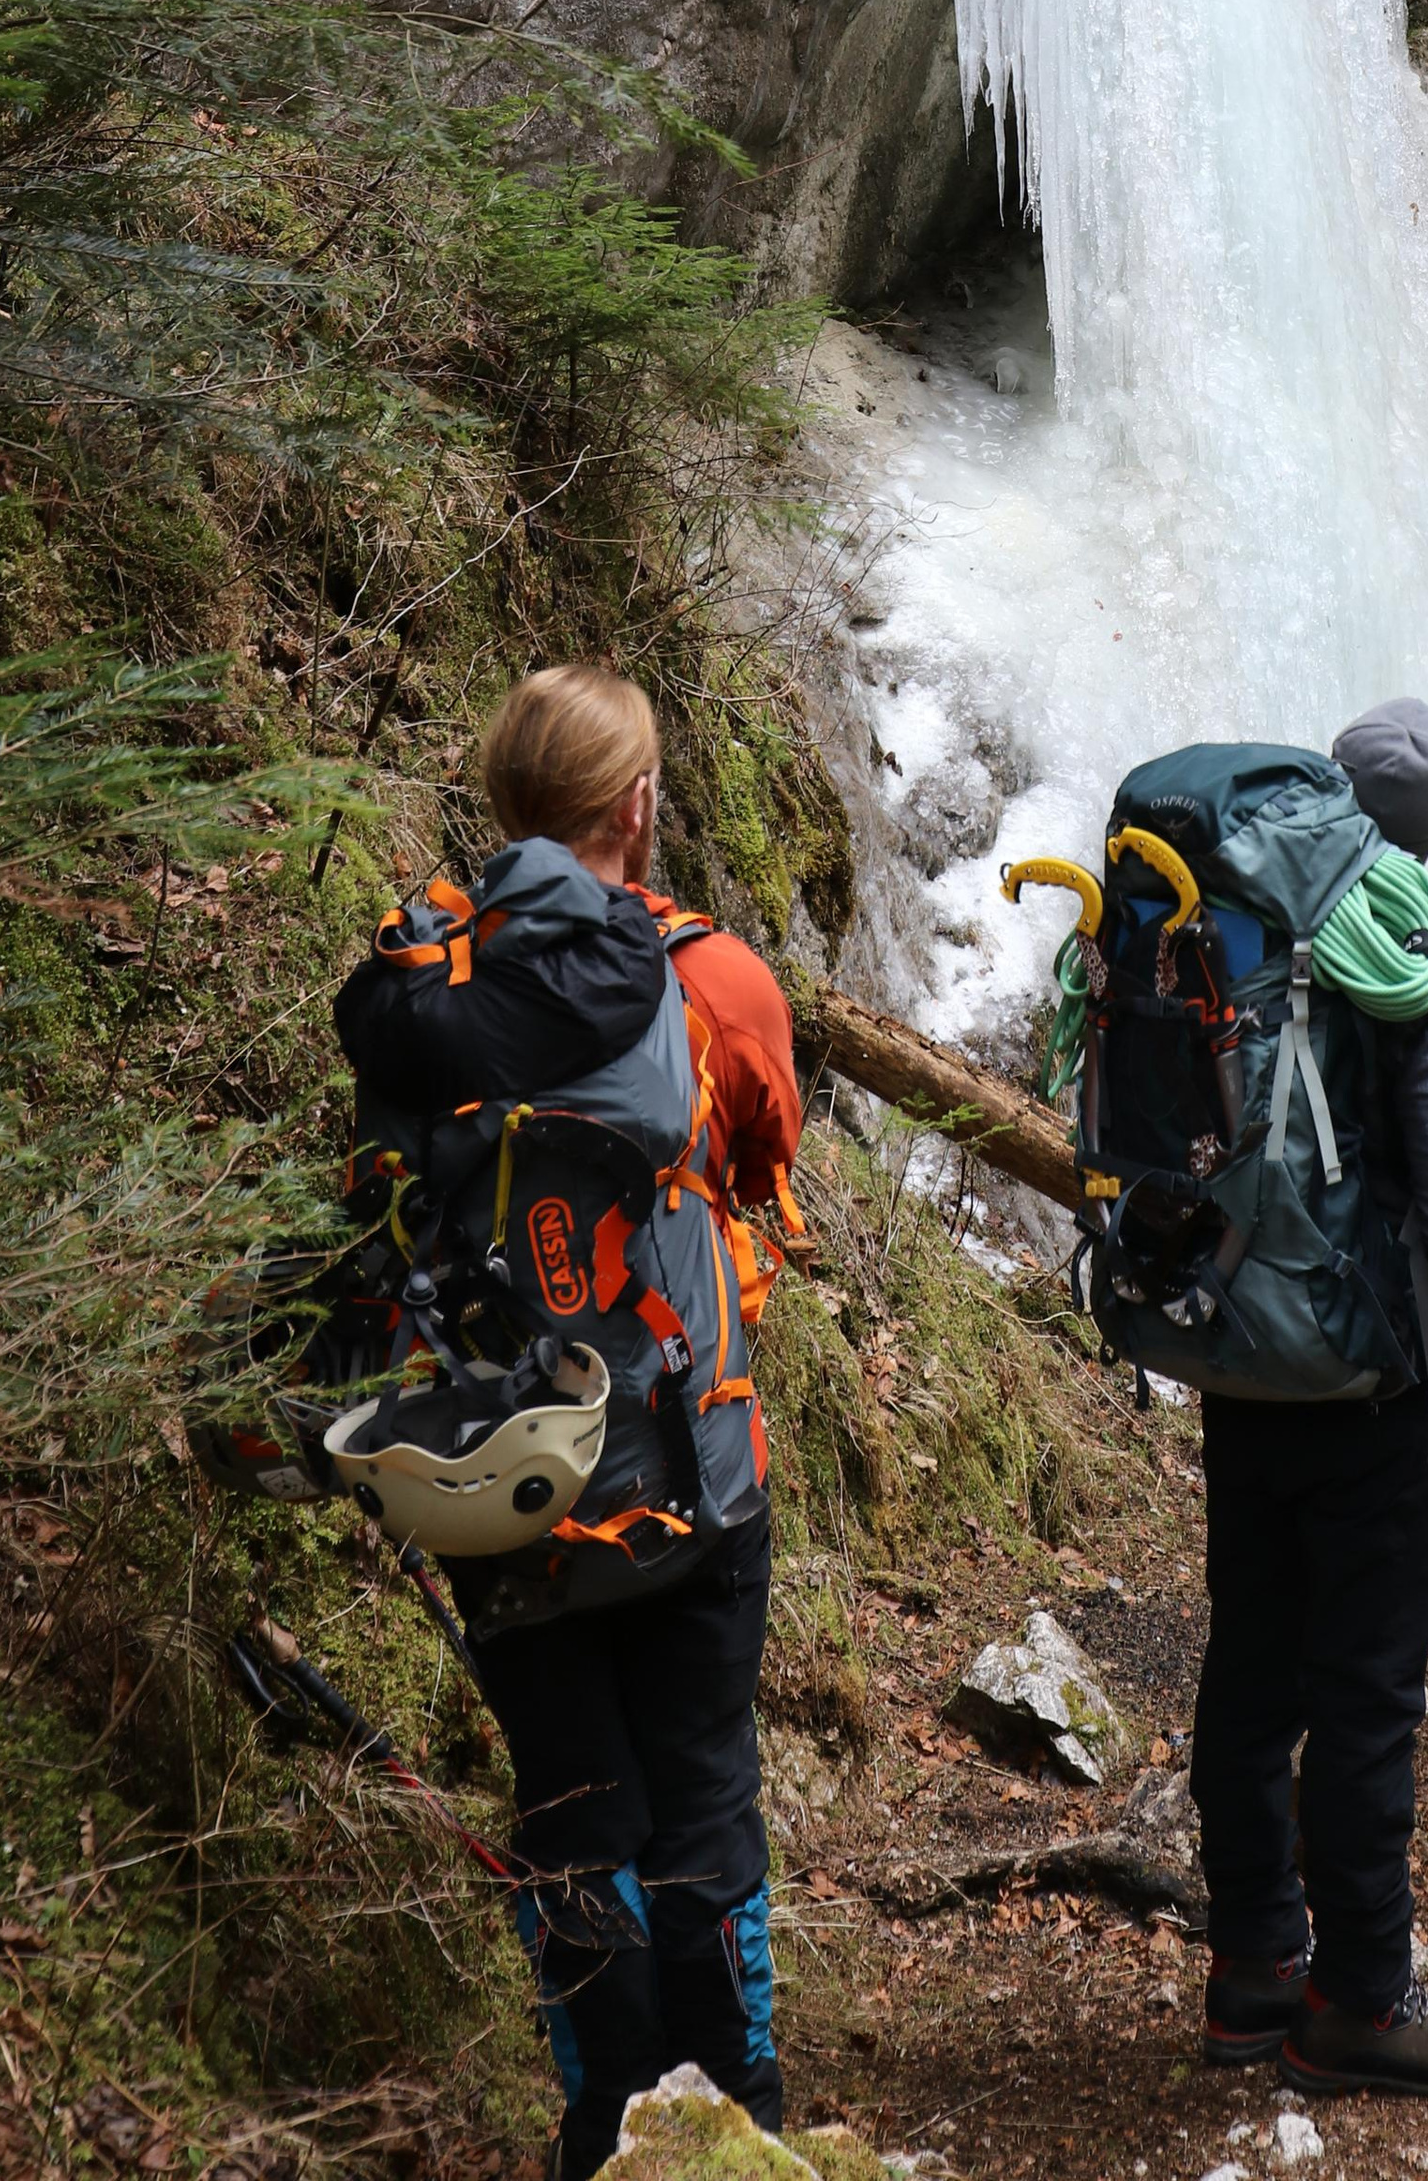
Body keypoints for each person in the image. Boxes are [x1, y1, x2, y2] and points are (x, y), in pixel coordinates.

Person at [332, 666, 801, 2179]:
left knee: (575, 1812)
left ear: (505, 803)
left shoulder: (420, 993)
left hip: (499, 1484)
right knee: (705, 1800)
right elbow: (763, 1149)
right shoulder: (708, 978)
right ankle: (733, 2131)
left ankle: (607, 2127)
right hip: (686, 1468)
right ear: (637, 807)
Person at [1193, 696, 1428, 2102]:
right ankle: (1357, 1996)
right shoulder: (1422, 967)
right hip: (1367, 1382)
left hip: (1240, 1357)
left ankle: (1250, 1962)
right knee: (1364, 1694)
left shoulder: (1238, 933)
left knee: (1252, 1659)